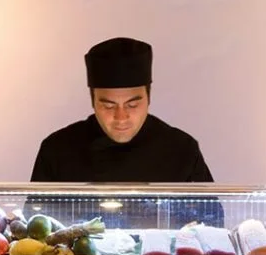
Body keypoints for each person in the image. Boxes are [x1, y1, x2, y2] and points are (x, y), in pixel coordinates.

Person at [28, 37, 218, 227]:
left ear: (148, 98)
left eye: (132, 105)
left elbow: (212, 222)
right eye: (108, 106)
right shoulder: (57, 149)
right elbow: (35, 227)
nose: (121, 117)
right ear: (93, 100)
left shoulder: (182, 149)